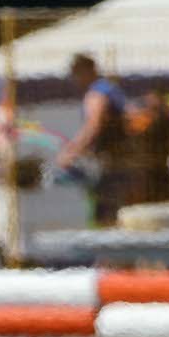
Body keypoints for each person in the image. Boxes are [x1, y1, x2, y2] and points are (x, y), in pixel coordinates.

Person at [56, 53, 129, 223]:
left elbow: (93, 125)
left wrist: (71, 152)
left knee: (106, 214)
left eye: (77, 74)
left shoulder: (97, 93)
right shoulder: (111, 89)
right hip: (122, 160)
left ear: (87, 71)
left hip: (109, 163)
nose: (75, 80)